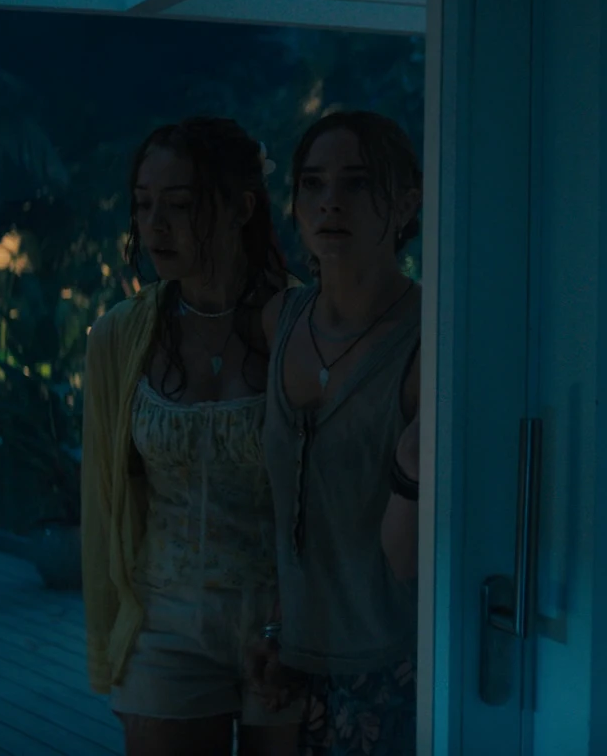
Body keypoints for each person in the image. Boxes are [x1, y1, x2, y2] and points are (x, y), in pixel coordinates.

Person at [80, 116, 301, 756]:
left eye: (179, 205)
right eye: (143, 204)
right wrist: (107, 638)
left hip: (290, 614)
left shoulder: (301, 324)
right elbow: (102, 500)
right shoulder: (122, 335)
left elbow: (338, 494)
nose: (156, 225)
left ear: (241, 209)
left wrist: (301, 618)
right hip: (165, 618)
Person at [250, 110, 424, 756]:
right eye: (313, 184)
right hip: (290, 664)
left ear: (407, 202)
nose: (330, 202)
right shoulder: (280, 320)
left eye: (356, 183)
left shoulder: (427, 343)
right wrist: (276, 625)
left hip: (389, 669)